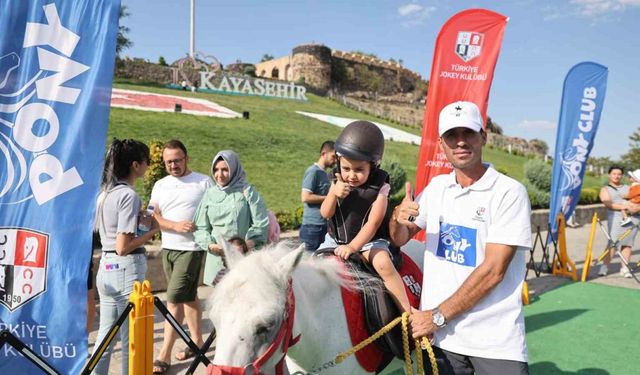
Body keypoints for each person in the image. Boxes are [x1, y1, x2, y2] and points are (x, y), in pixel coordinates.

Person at [390, 101, 532, 375]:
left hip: (495, 342)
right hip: (442, 340)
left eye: (468, 133)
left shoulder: (508, 192)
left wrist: (437, 316)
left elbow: (493, 271)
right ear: (441, 144)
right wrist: (397, 219)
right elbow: (400, 238)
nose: (460, 142)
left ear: (483, 137)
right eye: (452, 136)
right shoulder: (437, 187)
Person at [319, 121, 412, 313]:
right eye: (346, 168)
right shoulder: (336, 181)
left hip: (369, 242)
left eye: (359, 170)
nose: (351, 175)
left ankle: (407, 312)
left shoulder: (380, 187)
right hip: (335, 239)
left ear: (374, 165)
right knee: (312, 264)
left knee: (383, 264)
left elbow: (374, 222)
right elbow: (325, 213)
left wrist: (353, 247)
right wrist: (333, 194)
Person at [93, 139, 159, 375]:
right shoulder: (128, 196)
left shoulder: (105, 193)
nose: (148, 165)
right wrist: (152, 231)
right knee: (131, 336)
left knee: (106, 335)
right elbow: (124, 246)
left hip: (106, 266)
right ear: (135, 165)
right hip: (125, 267)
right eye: (146, 161)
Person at [149, 140, 212, 374]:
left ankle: (164, 354)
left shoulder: (203, 182)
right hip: (168, 248)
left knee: (174, 298)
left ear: (187, 158)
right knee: (188, 296)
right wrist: (173, 225)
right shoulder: (160, 185)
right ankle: (197, 342)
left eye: (177, 160)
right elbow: (152, 215)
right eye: (168, 162)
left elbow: (215, 210)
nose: (173, 165)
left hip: (192, 248)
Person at [194, 150, 269, 285]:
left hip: (245, 260)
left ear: (234, 169)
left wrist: (246, 245)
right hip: (217, 262)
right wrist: (211, 245)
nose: (219, 175)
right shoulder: (209, 194)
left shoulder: (247, 191)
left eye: (225, 169)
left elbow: (261, 223)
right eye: (216, 170)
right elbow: (200, 227)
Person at [598, 165, 640, 278]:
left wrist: (637, 208)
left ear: (622, 175)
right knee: (613, 243)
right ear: (609, 175)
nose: (616, 176)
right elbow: (608, 204)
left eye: (619, 174)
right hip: (616, 218)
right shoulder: (605, 189)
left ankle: (624, 268)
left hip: (634, 218)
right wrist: (625, 207)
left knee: (628, 243)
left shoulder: (629, 187)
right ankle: (605, 266)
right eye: (614, 174)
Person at [300, 141, 336, 251]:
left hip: (324, 226)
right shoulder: (313, 172)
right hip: (312, 227)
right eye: (333, 156)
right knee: (306, 263)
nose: (335, 160)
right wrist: (331, 197)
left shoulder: (325, 174)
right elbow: (305, 197)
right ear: (324, 153)